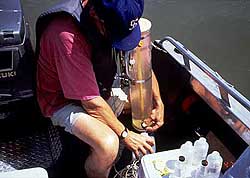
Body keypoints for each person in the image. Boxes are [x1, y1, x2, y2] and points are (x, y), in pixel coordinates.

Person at [35, 0, 164, 177]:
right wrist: (125, 135)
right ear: (96, 15)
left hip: (98, 85)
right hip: (63, 101)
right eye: (116, 34)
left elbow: (141, 62)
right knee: (108, 145)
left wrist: (157, 102)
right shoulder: (66, 36)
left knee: (144, 101)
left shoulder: (121, 15)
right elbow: (91, 104)